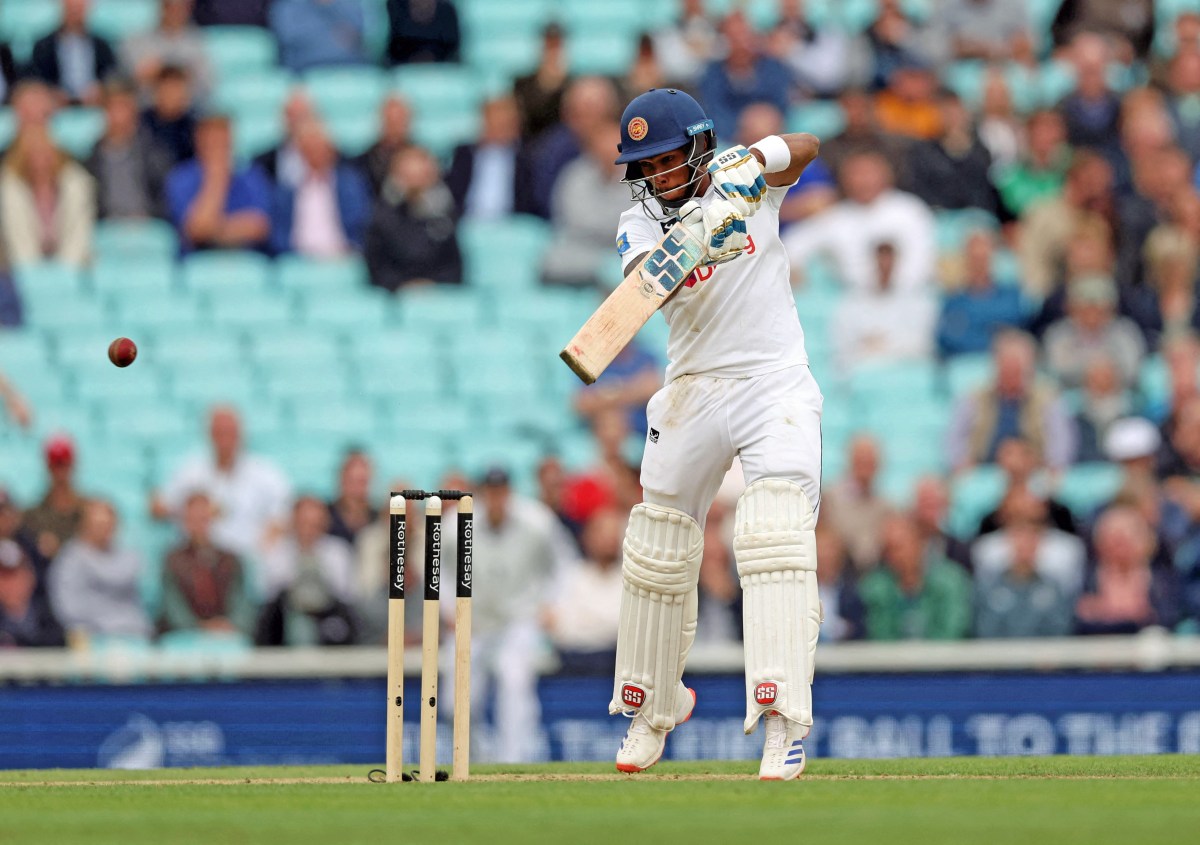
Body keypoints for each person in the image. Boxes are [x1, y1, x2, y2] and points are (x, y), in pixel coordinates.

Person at [605, 87, 822, 780]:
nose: (660, 178)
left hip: (772, 381)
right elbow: (643, 290)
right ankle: (651, 705)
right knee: (658, 541)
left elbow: (809, 150)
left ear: (699, 148)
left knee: (773, 533)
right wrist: (697, 239)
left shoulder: (741, 177)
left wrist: (757, 159)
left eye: (669, 161)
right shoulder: (638, 226)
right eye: (648, 168)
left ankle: (783, 716)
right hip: (694, 385)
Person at [457, 467, 561, 763]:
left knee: (514, 681)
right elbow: (438, 571)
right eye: (490, 492)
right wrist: (446, 611)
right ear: (482, 493)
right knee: (458, 696)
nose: (496, 499)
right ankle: (471, 759)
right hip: (473, 622)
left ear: (509, 492)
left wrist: (551, 604)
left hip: (519, 621)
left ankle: (512, 762)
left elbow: (562, 566)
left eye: (501, 491)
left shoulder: (538, 521)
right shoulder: (458, 525)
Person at [150, 406, 292, 568]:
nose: (225, 438)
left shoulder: (266, 473)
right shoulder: (190, 472)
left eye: (230, 431)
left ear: (241, 434)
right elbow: (159, 507)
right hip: (204, 565)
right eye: (219, 432)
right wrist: (197, 512)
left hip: (252, 562)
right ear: (209, 434)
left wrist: (264, 546)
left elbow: (284, 512)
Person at [257, 495, 359, 645]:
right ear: (293, 523)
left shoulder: (338, 551)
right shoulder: (277, 551)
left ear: (325, 524)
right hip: (286, 618)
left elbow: (345, 594)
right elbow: (268, 592)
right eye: (303, 523)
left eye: (315, 524)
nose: (309, 530)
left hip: (327, 616)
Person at [165, 113, 272, 253]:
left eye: (222, 138)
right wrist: (215, 181)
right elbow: (196, 230)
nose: (217, 145)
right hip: (198, 263)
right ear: (198, 140)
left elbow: (259, 227)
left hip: (245, 261)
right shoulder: (181, 178)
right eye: (211, 139)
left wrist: (213, 229)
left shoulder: (251, 175)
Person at [48, 499, 151, 641]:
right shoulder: (70, 560)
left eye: (109, 524)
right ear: (84, 525)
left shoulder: (129, 557)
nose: (105, 529)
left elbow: (141, 604)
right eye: (98, 524)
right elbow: (68, 609)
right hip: (91, 638)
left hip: (133, 634)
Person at [364, 144, 461, 291]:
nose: (415, 183)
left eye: (421, 176)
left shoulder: (445, 213)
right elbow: (377, 266)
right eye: (409, 176)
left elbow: (453, 265)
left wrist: (431, 285)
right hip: (394, 295)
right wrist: (402, 285)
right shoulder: (381, 216)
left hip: (437, 295)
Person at [269, 117, 371, 257]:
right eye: (308, 149)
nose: (314, 154)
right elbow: (279, 231)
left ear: (330, 151)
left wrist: (351, 247)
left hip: (342, 256)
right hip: (297, 259)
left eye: (318, 148)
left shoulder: (350, 185)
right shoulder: (287, 190)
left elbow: (361, 223)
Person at [159, 491, 256, 637]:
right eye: (192, 519)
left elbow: (241, 601)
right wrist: (199, 627)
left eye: (203, 519)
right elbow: (173, 606)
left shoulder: (230, 559)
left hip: (227, 632)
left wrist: (231, 625)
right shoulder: (173, 560)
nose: (198, 525)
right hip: (187, 634)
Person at [0, 127, 96, 268]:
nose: (40, 160)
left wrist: (65, 272)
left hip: (70, 265)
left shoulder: (76, 186)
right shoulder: (10, 190)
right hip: (20, 267)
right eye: (33, 154)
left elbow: (78, 235)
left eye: (45, 153)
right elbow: (18, 242)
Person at [543, 507, 624, 673]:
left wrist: (585, 621)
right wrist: (606, 624)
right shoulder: (571, 576)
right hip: (571, 666)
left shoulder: (631, 580)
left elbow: (626, 632)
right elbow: (557, 628)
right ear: (588, 537)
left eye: (614, 533)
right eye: (602, 532)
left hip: (615, 668)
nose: (609, 539)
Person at [85, 79, 172, 220]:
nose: (119, 115)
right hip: (107, 226)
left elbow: (164, 197)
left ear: (135, 112)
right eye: (113, 107)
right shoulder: (91, 159)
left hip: (149, 224)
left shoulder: (155, 154)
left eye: (124, 107)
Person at [121, 0, 213, 105]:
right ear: (161, 6)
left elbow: (207, 85)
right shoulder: (137, 41)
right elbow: (125, 83)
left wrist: (179, 78)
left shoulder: (197, 43)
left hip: (187, 111)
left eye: (180, 7)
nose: (175, 12)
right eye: (170, 6)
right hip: (146, 108)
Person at [28, 0, 117, 106]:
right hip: (55, 106)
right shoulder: (43, 46)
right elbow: (36, 77)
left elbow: (110, 73)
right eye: (71, 8)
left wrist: (100, 88)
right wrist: (51, 91)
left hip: (95, 104)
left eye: (78, 9)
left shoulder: (101, 45)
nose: (75, 13)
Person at [20, 435, 86, 563]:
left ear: (72, 465)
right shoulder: (33, 515)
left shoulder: (88, 511)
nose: (60, 471)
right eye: (56, 464)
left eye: (64, 464)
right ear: (48, 466)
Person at [270, 0, 368, 74]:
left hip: (349, 69)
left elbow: (358, 32)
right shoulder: (289, 6)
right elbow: (290, 37)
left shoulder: (349, 4)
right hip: (304, 71)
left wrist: (329, 5)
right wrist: (334, 37)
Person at [0, 538, 64, 648]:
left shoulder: (49, 619)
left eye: (15, 576)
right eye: (4, 577)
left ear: (30, 577)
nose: (10, 585)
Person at [325, 449, 376, 546]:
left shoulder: (378, 520)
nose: (356, 490)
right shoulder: (325, 518)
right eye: (351, 482)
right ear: (341, 480)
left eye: (361, 482)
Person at [385, 0, 460, 64]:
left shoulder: (446, 10)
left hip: (441, 72)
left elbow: (452, 48)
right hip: (404, 71)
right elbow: (391, 48)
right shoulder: (396, 7)